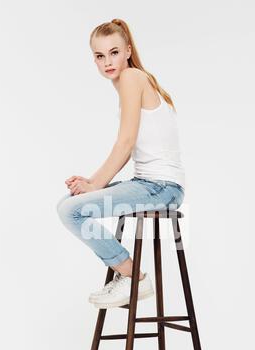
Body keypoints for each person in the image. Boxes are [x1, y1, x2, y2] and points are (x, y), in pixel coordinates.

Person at [56, 18, 185, 309]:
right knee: (70, 203)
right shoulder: (133, 81)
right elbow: (128, 146)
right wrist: (90, 184)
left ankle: (132, 276)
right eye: (99, 56)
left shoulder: (131, 78)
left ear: (128, 50)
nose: (107, 62)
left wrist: (94, 183)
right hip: (150, 185)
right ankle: (127, 274)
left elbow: (125, 143)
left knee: (70, 210)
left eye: (114, 52)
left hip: (161, 188)